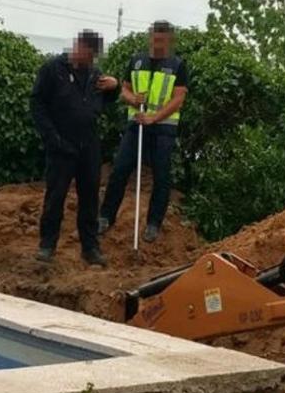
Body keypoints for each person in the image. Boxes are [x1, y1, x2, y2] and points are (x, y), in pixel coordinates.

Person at [30, 30, 120, 266]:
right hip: (61, 144)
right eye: (87, 54)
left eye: (93, 57)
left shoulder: (95, 75)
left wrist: (116, 87)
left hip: (89, 144)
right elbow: (37, 103)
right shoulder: (53, 69)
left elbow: (106, 101)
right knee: (55, 197)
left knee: (90, 199)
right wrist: (52, 138)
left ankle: (90, 249)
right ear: (78, 46)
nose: (89, 61)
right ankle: (47, 245)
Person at [98, 20, 188, 243]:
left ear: (168, 41)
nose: (158, 44)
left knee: (162, 176)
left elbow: (178, 99)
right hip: (136, 125)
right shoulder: (137, 61)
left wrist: (154, 117)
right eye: (155, 39)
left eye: (162, 40)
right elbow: (125, 91)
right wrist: (132, 99)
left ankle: (153, 224)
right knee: (120, 169)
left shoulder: (177, 65)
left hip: (163, 128)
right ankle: (105, 217)